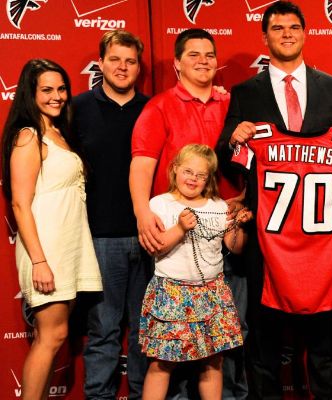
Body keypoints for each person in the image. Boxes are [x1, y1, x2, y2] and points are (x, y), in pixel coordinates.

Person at [215, 2, 332, 398]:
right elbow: (226, 152)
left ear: (305, 33)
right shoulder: (246, 92)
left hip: (321, 235)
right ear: (265, 36)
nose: (287, 34)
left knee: (324, 341)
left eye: (294, 27)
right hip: (267, 233)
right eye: (278, 28)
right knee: (264, 339)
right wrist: (233, 138)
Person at [129, 28, 246, 399]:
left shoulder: (233, 103)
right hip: (175, 239)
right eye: (193, 54)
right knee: (169, 352)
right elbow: (141, 165)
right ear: (177, 63)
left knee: (223, 344)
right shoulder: (159, 106)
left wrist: (242, 202)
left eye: (209, 54)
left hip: (223, 229)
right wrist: (142, 215)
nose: (203, 60)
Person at [1, 59, 102, 400]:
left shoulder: (58, 132)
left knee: (56, 337)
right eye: (47, 90)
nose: (57, 96)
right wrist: (40, 261)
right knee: (51, 337)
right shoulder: (29, 135)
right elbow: (20, 204)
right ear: (30, 94)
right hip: (47, 249)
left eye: (61, 89)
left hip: (69, 246)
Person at [73, 30, 151, 400]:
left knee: (144, 331)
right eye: (115, 59)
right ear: (100, 63)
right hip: (99, 238)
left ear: (139, 67)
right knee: (103, 330)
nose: (122, 67)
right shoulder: (76, 109)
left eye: (130, 61)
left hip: (151, 237)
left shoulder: (153, 109)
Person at [140, 144, 250, 400]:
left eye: (201, 175)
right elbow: (155, 248)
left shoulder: (219, 206)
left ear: (208, 178)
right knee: (162, 362)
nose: (193, 178)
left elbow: (236, 248)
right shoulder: (160, 203)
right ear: (175, 169)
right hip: (172, 293)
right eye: (188, 171)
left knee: (213, 362)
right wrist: (179, 228)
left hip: (212, 293)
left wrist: (238, 226)